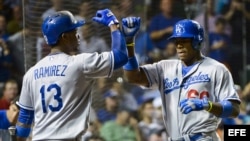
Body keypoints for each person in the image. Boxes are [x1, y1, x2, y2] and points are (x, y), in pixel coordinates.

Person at [14, 9, 130, 141]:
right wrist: (113, 24)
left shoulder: (31, 73)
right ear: (64, 37)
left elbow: (25, 118)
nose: (78, 35)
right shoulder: (79, 63)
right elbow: (120, 56)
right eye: (74, 32)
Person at [122, 17, 241, 140]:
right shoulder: (164, 67)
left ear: (197, 41)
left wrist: (207, 105)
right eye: (176, 41)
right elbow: (132, 77)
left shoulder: (216, 68)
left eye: (184, 40)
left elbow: (234, 109)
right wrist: (129, 43)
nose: (179, 45)